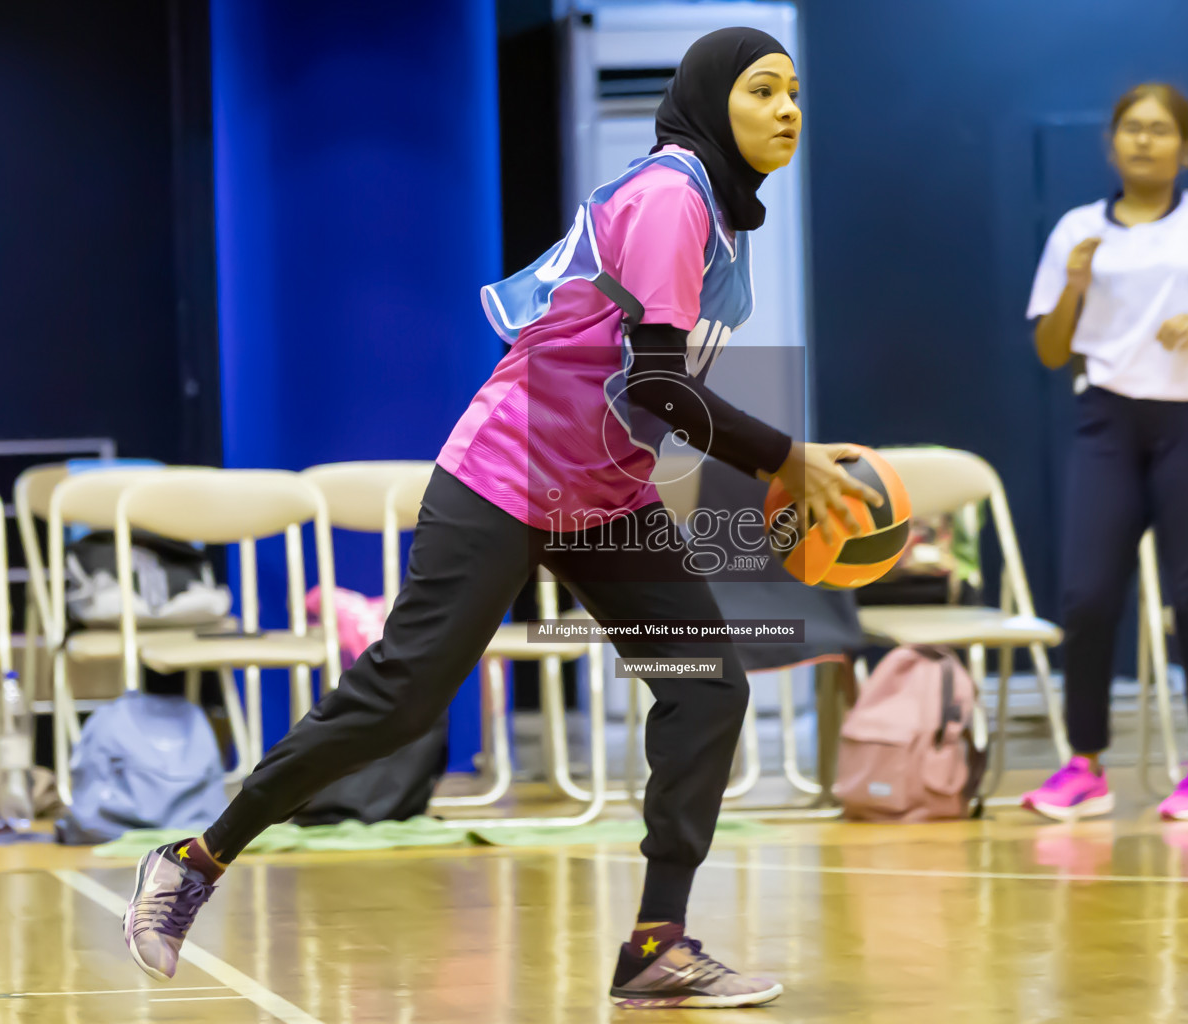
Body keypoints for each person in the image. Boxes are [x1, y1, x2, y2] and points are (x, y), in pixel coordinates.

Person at [122, 28, 879, 1010]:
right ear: (706, 102)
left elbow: (640, 392)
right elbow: (653, 383)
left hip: (603, 495)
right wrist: (784, 456)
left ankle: (657, 943)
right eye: (762, 92)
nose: (787, 111)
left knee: (705, 688)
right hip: (503, 477)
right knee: (398, 698)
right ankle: (191, 859)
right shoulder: (671, 195)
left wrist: (757, 475)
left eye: (793, 94)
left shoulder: (716, 218)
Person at [1021, 83, 1188, 822]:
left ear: (1185, 148)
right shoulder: (1077, 229)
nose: (1144, 141)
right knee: (1086, 596)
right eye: (1131, 129)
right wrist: (1074, 286)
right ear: (1111, 144)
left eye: (1160, 130)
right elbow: (1049, 349)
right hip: (1106, 421)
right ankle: (1084, 766)